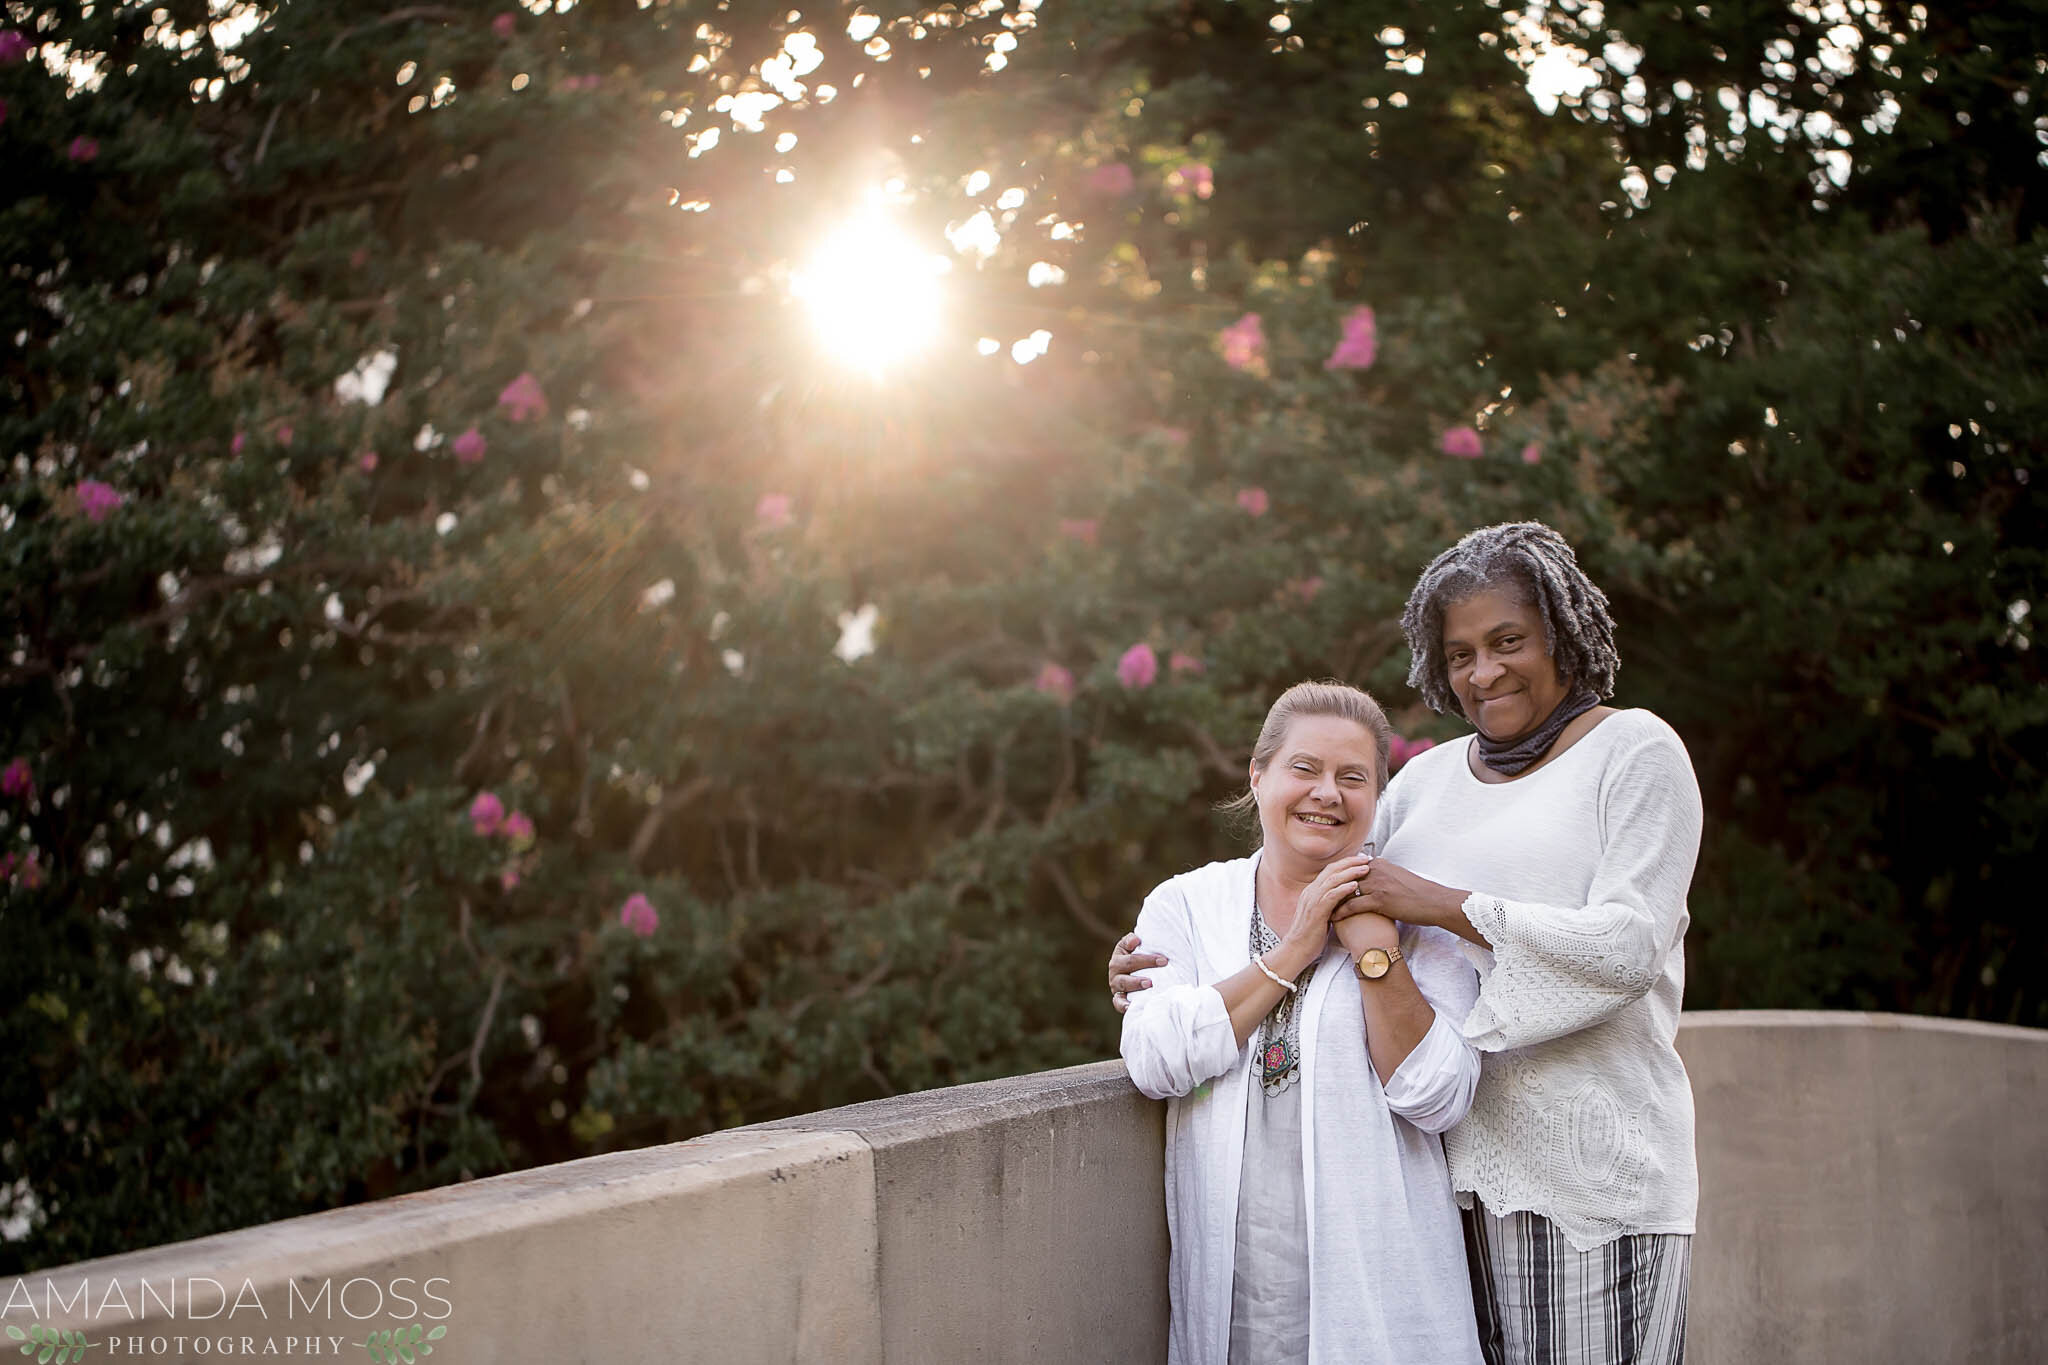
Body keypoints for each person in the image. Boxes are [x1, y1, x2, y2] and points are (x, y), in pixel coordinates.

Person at [1112, 522, 1704, 1365]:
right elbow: (1330, 889)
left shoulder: (1635, 750)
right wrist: (1157, 982)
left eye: (1508, 641)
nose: (1484, 670)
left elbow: (1629, 947)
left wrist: (1432, 901)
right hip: (1448, 1186)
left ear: (1563, 636)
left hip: (1590, 1183)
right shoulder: (1425, 783)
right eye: (1460, 652)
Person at [1118, 680, 1486, 1365]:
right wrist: (1294, 950)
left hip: (1378, 1301)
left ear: (1377, 799)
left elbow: (1437, 1094)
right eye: (1305, 769)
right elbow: (1155, 1057)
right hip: (1235, 1303)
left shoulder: (1414, 917)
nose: (1328, 792)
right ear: (1258, 777)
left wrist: (1376, 950)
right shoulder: (1187, 903)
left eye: (1353, 777)